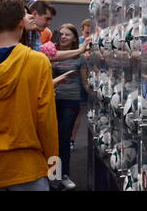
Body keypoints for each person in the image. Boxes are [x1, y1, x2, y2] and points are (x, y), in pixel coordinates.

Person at [0, 0, 58, 191]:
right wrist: (53, 168)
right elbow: (47, 120)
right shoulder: (38, 62)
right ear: (22, 22)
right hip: (28, 168)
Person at [52, 23, 88, 191]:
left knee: (64, 139)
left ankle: (64, 175)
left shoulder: (79, 58)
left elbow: (85, 82)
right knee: (50, 138)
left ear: (75, 37)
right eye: (61, 34)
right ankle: (53, 175)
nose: (63, 37)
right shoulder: (51, 53)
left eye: (67, 34)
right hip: (50, 100)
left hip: (70, 100)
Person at [70, 19, 91, 150]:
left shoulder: (99, 41)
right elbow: (74, 56)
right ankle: (70, 139)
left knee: (81, 112)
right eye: (86, 32)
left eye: (90, 32)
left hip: (92, 79)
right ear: (82, 30)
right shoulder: (77, 42)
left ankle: (72, 139)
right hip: (78, 80)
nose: (88, 35)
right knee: (75, 112)